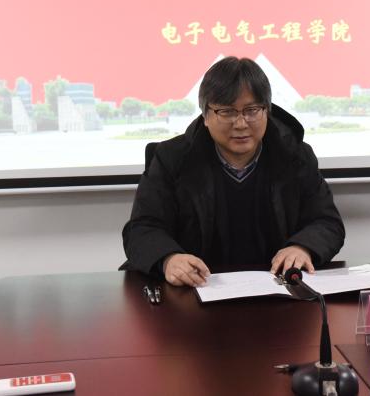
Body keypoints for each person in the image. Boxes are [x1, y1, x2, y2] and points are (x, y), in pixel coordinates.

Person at [122, 57, 345, 286]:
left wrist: (303, 247)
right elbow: (142, 228)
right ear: (206, 115)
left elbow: (327, 222)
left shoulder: (295, 155)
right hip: (195, 290)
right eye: (227, 112)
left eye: (252, 110)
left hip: (275, 290)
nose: (240, 123)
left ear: (267, 111)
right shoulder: (173, 158)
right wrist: (169, 259)